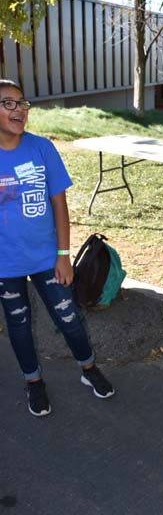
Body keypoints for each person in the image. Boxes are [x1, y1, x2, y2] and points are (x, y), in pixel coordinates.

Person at [0, 79, 114, 416]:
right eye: (8, 103)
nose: (18, 110)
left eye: (22, 103)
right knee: (18, 325)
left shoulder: (42, 148)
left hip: (46, 258)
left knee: (69, 318)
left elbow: (59, 205)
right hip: (5, 263)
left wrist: (63, 255)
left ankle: (89, 369)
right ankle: (33, 382)